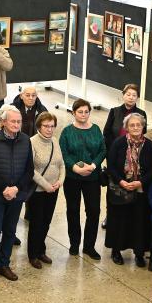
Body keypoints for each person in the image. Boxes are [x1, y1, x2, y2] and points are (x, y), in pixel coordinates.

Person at [0, 105, 33, 284]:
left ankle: (4, 264)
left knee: (10, 231)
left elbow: (29, 170)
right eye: (13, 121)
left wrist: (16, 189)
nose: (17, 124)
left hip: (17, 196)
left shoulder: (26, 140)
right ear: (3, 122)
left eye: (19, 121)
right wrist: (5, 188)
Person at [104, 113, 152, 267]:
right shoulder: (118, 143)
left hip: (141, 190)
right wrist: (121, 181)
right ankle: (116, 250)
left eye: (138, 125)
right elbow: (112, 166)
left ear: (143, 127)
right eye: (132, 125)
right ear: (126, 127)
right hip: (121, 189)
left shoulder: (150, 145)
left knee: (139, 222)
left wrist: (140, 182)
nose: (135, 128)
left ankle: (139, 253)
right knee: (119, 220)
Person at [59, 99, 106, 259]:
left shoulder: (96, 129)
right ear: (73, 113)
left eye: (86, 112)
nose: (83, 115)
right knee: (73, 210)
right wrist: (76, 168)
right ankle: (74, 244)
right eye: (80, 112)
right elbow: (64, 153)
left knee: (93, 211)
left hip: (92, 178)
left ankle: (89, 246)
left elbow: (102, 150)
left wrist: (92, 166)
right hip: (72, 177)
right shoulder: (66, 132)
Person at [28, 112, 65, 268]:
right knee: (36, 222)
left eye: (52, 126)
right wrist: (46, 185)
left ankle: (41, 250)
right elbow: (30, 169)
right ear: (39, 126)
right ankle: (33, 254)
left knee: (46, 222)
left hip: (54, 189)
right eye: (46, 126)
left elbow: (61, 164)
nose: (50, 129)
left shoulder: (55, 141)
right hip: (38, 190)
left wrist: (60, 181)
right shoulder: (32, 142)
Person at [102, 83, 147, 154]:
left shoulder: (142, 114)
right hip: (114, 150)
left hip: (134, 151)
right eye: (128, 94)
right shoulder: (114, 111)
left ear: (137, 98)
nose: (131, 97)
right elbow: (106, 132)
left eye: (134, 95)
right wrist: (113, 147)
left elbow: (143, 132)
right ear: (123, 95)